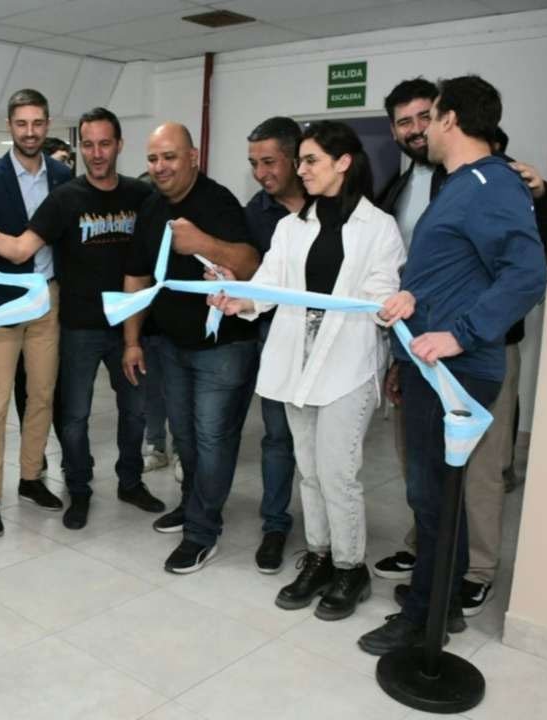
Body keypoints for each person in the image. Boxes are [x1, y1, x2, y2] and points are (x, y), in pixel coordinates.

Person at [358, 75, 547, 655]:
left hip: (455, 371)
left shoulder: (490, 182)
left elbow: (527, 274)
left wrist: (461, 335)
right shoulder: (461, 184)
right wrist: (413, 298)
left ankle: (424, 618)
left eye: (432, 115)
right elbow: (456, 270)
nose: (423, 128)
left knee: (434, 497)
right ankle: (439, 600)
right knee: (436, 495)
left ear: (451, 118)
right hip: (427, 364)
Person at [210, 121, 405, 619]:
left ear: (344, 162)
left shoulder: (379, 227)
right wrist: (238, 299)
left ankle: (350, 568)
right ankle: (319, 557)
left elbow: (381, 291)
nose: (301, 170)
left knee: (338, 473)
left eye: (311, 160)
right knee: (310, 472)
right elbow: (270, 286)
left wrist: (387, 304)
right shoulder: (291, 226)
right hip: (295, 364)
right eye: (300, 161)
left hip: (347, 365)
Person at [0, 107, 165, 531]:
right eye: (88, 144)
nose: (97, 152)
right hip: (59, 316)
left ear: (119, 145)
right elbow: (17, 249)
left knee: (114, 409)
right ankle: (39, 492)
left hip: (106, 319)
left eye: (104, 144)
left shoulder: (127, 192)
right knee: (49, 412)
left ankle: (100, 481)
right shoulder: (59, 193)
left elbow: (155, 255)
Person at [123, 123, 261, 574]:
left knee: (212, 439)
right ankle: (192, 506)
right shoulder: (150, 207)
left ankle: (202, 532)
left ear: (193, 157)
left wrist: (201, 242)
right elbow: (137, 276)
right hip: (169, 344)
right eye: (153, 158)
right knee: (185, 437)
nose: (160, 167)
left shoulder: (219, 201)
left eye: (170, 157)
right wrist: (131, 340)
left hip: (223, 347)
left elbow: (251, 264)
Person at [0, 89, 72, 537]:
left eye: (38, 123)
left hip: (48, 300)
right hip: (4, 303)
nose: (30, 132)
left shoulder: (64, 176)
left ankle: (30, 478)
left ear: (48, 124)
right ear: (9, 125)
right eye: (22, 123)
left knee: (42, 395)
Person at [241, 116, 306, 574]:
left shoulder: (335, 203)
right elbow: (254, 276)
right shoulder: (257, 212)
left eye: (269, 162)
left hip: (332, 339)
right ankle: (275, 524)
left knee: (326, 448)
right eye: (254, 164)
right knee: (278, 437)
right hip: (275, 337)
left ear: (296, 158)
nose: (261, 173)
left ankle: (329, 540)